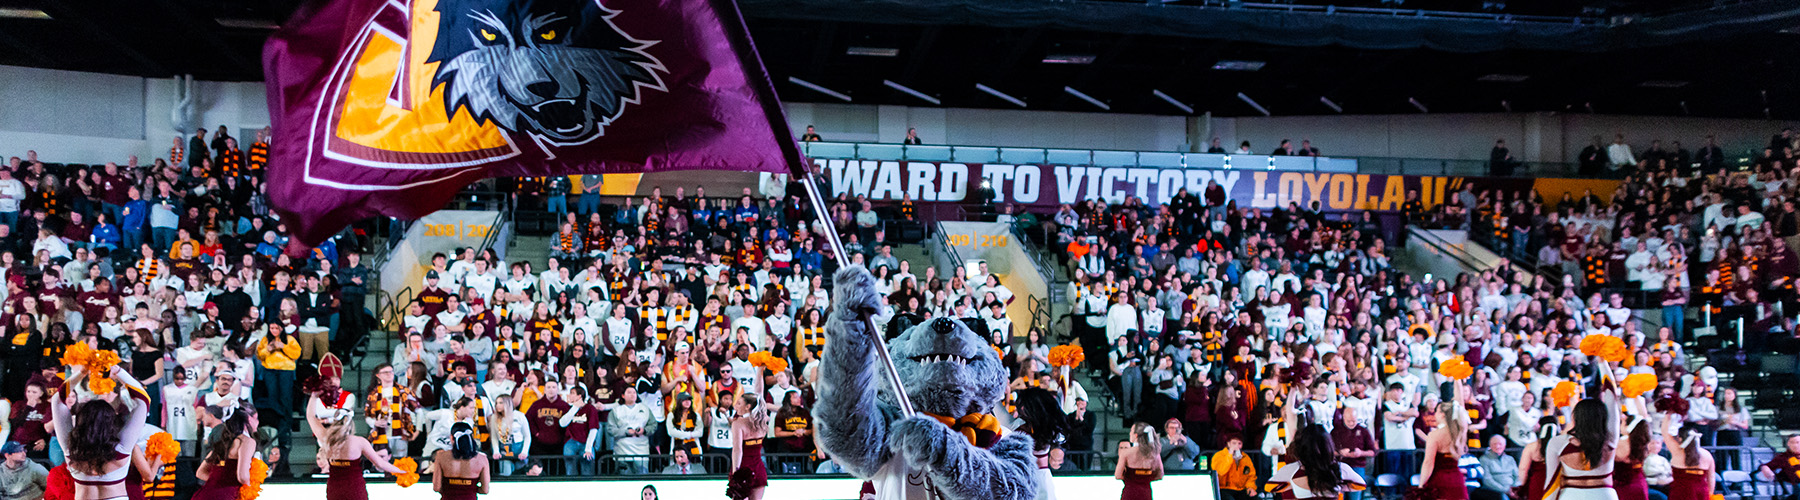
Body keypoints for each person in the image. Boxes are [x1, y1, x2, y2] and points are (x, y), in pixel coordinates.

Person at [53, 366, 151, 500]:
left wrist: (82, 372)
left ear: (81, 421)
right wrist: (118, 371)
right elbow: (143, 400)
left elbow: (57, 400)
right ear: (111, 422)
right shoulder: (121, 448)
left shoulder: (71, 449)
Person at [306, 395, 408, 500]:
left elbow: (310, 417)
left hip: (335, 490)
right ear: (350, 424)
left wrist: (313, 396)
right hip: (355, 490)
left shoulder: (327, 439)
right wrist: (403, 471)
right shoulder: (359, 442)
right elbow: (381, 464)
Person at [1543, 369, 1622, 500]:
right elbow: (1612, 396)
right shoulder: (1610, 438)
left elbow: (1551, 483)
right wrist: (1602, 361)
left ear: (1576, 417)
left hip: (1571, 496)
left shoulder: (1558, 442)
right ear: (1603, 417)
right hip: (1604, 496)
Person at [1270, 422, 1365, 500]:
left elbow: (1270, 487)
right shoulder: (1340, 468)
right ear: (1328, 446)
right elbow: (1361, 485)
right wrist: (1339, 486)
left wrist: (1293, 485)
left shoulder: (1293, 469)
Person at [1418, 383, 1471, 500]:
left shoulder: (1434, 435)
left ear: (1442, 415)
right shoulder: (1460, 431)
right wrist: (1457, 380)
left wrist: (1421, 486)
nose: (1435, 414)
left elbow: (1428, 463)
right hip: (1457, 481)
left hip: (1439, 481)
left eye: (1437, 411)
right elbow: (1460, 405)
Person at [1015, 388, 1068, 500]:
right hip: (1035, 477)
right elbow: (1062, 392)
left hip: (1027, 478)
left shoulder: (1016, 426)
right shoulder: (1051, 427)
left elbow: (996, 405)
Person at [191, 405, 253, 500]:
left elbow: (200, 472)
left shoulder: (223, 442)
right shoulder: (246, 441)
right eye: (256, 419)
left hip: (205, 493)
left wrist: (218, 481)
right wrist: (250, 490)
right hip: (227, 495)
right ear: (249, 420)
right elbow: (242, 476)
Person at [726, 393, 769, 500]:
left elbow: (737, 450)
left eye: (739, 403)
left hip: (743, 468)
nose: (735, 406)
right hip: (758, 468)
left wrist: (735, 474)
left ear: (748, 407)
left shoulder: (738, 423)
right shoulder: (762, 422)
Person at [433, 423, 490, 500]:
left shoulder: (441, 457)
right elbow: (485, 490)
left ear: (452, 437)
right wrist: (470, 489)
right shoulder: (482, 459)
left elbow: (436, 487)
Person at [1661, 423, 1712, 500]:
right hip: (1701, 492)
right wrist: (1709, 494)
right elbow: (1711, 477)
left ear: (1680, 439)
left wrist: (1668, 416)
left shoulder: (1677, 453)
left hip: (1680, 492)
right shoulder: (1707, 454)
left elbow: (1665, 433)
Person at [1115, 422, 1162, 500]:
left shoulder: (1126, 453)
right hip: (1146, 493)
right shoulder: (1154, 453)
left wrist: (1130, 479)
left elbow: (1118, 475)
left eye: (1131, 431)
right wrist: (1145, 478)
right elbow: (1160, 475)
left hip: (1130, 492)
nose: (1129, 433)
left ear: (1136, 435)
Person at [1517, 425, 1561, 500]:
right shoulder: (1562, 445)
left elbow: (1523, 469)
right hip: (1556, 482)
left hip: (1537, 483)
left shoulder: (1531, 446)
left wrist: (1520, 487)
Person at [1211, 434, 1258, 500]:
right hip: (1223, 489)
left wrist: (1250, 487)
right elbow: (1221, 471)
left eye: (1239, 443)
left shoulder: (1245, 458)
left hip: (1240, 489)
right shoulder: (1218, 456)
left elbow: (1251, 476)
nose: (1237, 446)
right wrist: (1230, 455)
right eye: (1234, 443)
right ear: (1228, 444)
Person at [1479, 436, 1520, 500]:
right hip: (1495, 490)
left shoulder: (1510, 459)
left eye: (1500, 444)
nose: (1497, 446)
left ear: (1504, 445)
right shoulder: (1484, 459)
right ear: (1490, 445)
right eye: (1494, 444)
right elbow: (1487, 480)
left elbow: (1517, 476)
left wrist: (1514, 489)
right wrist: (1505, 490)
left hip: (1512, 489)